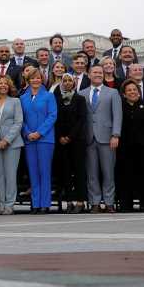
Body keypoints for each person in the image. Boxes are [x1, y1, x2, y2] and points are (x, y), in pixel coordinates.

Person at [82, 63, 122, 212]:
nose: (98, 75)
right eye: (95, 72)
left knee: (108, 172)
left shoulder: (112, 93)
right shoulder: (82, 93)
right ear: (89, 75)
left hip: (107, 138)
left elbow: (117, 115)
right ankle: (95, 202)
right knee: (91, 173)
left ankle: (110, 202)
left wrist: (115, 134)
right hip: (89, 138)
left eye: (100, 72)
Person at [117, 79, 144, 212]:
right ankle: (126, 204)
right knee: (126, 176)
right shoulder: (120, 107)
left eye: (134, 90)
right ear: (124, 94)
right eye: (129, 90)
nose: (132, 92)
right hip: (125, 147)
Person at [20, 67, 57, 212]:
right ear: (28, 80)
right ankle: (35, 203)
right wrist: (28, 132)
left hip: (45, 139)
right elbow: (20, 118)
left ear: (42, 80)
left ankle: (45, 204)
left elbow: (52, 116)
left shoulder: (49, 96)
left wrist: (40, 132)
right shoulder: (22, 98)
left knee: (44, 171)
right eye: (33, 78)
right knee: (33, 172)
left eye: (38, 78)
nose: (36, 80)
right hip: (29, 139)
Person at [52, 72, 89, 213]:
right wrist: (61, 136)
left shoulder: (80, 99)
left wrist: (70, 136)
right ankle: (68, 201)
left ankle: (80, 201)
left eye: (69, 80)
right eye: (65, 80)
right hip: (61, 141)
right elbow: (55, 118)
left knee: (79, 171)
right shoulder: (56, 99)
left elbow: (81, 119)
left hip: (77, 140)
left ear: (74, 82)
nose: (67, 82)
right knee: (65, 172)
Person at [0, 74, 24, 214]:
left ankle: (9, 204)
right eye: (0, 83)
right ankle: (1, 204)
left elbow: (18, 122)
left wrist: (6, 140)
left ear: (9, 86)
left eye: (5, 83)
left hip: (12, 144)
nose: (3, 85)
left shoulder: (15, 101)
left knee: (10, 174)